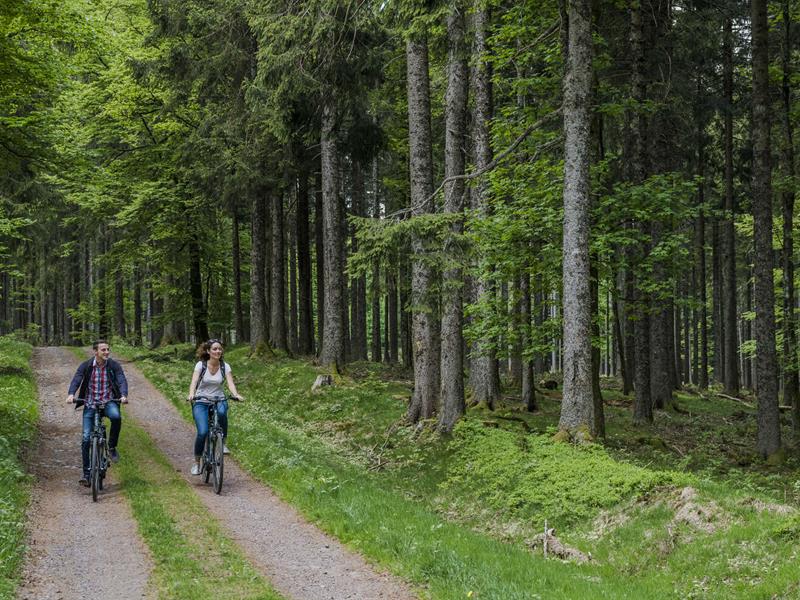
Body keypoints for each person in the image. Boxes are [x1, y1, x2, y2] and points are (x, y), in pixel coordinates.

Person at [66, 339, 128, 487]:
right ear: (96, 352)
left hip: (108, 401)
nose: (107, 352)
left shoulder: (113, 365)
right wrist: (70, 394)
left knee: (116, 417)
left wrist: (124, 395)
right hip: (90, 403)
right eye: (103, 350)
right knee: (86, 438)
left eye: (108, 349)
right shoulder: (86, 365)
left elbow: (121, 379)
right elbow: (77, 379)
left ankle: (111, 447)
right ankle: (86, 475)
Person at [187, 338, 243, 475]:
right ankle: (197, 463)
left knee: (223, 413)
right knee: (202, 432)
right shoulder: (201, 365)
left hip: (219, 399)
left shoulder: (225, 366)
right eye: (215, 349)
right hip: (201, 400)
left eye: (220, 349)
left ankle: (222, 443)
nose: (218, 351)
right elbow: (194, 382)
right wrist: (191, 394)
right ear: (208, 351)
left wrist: (236, 394)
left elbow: (230, 383)